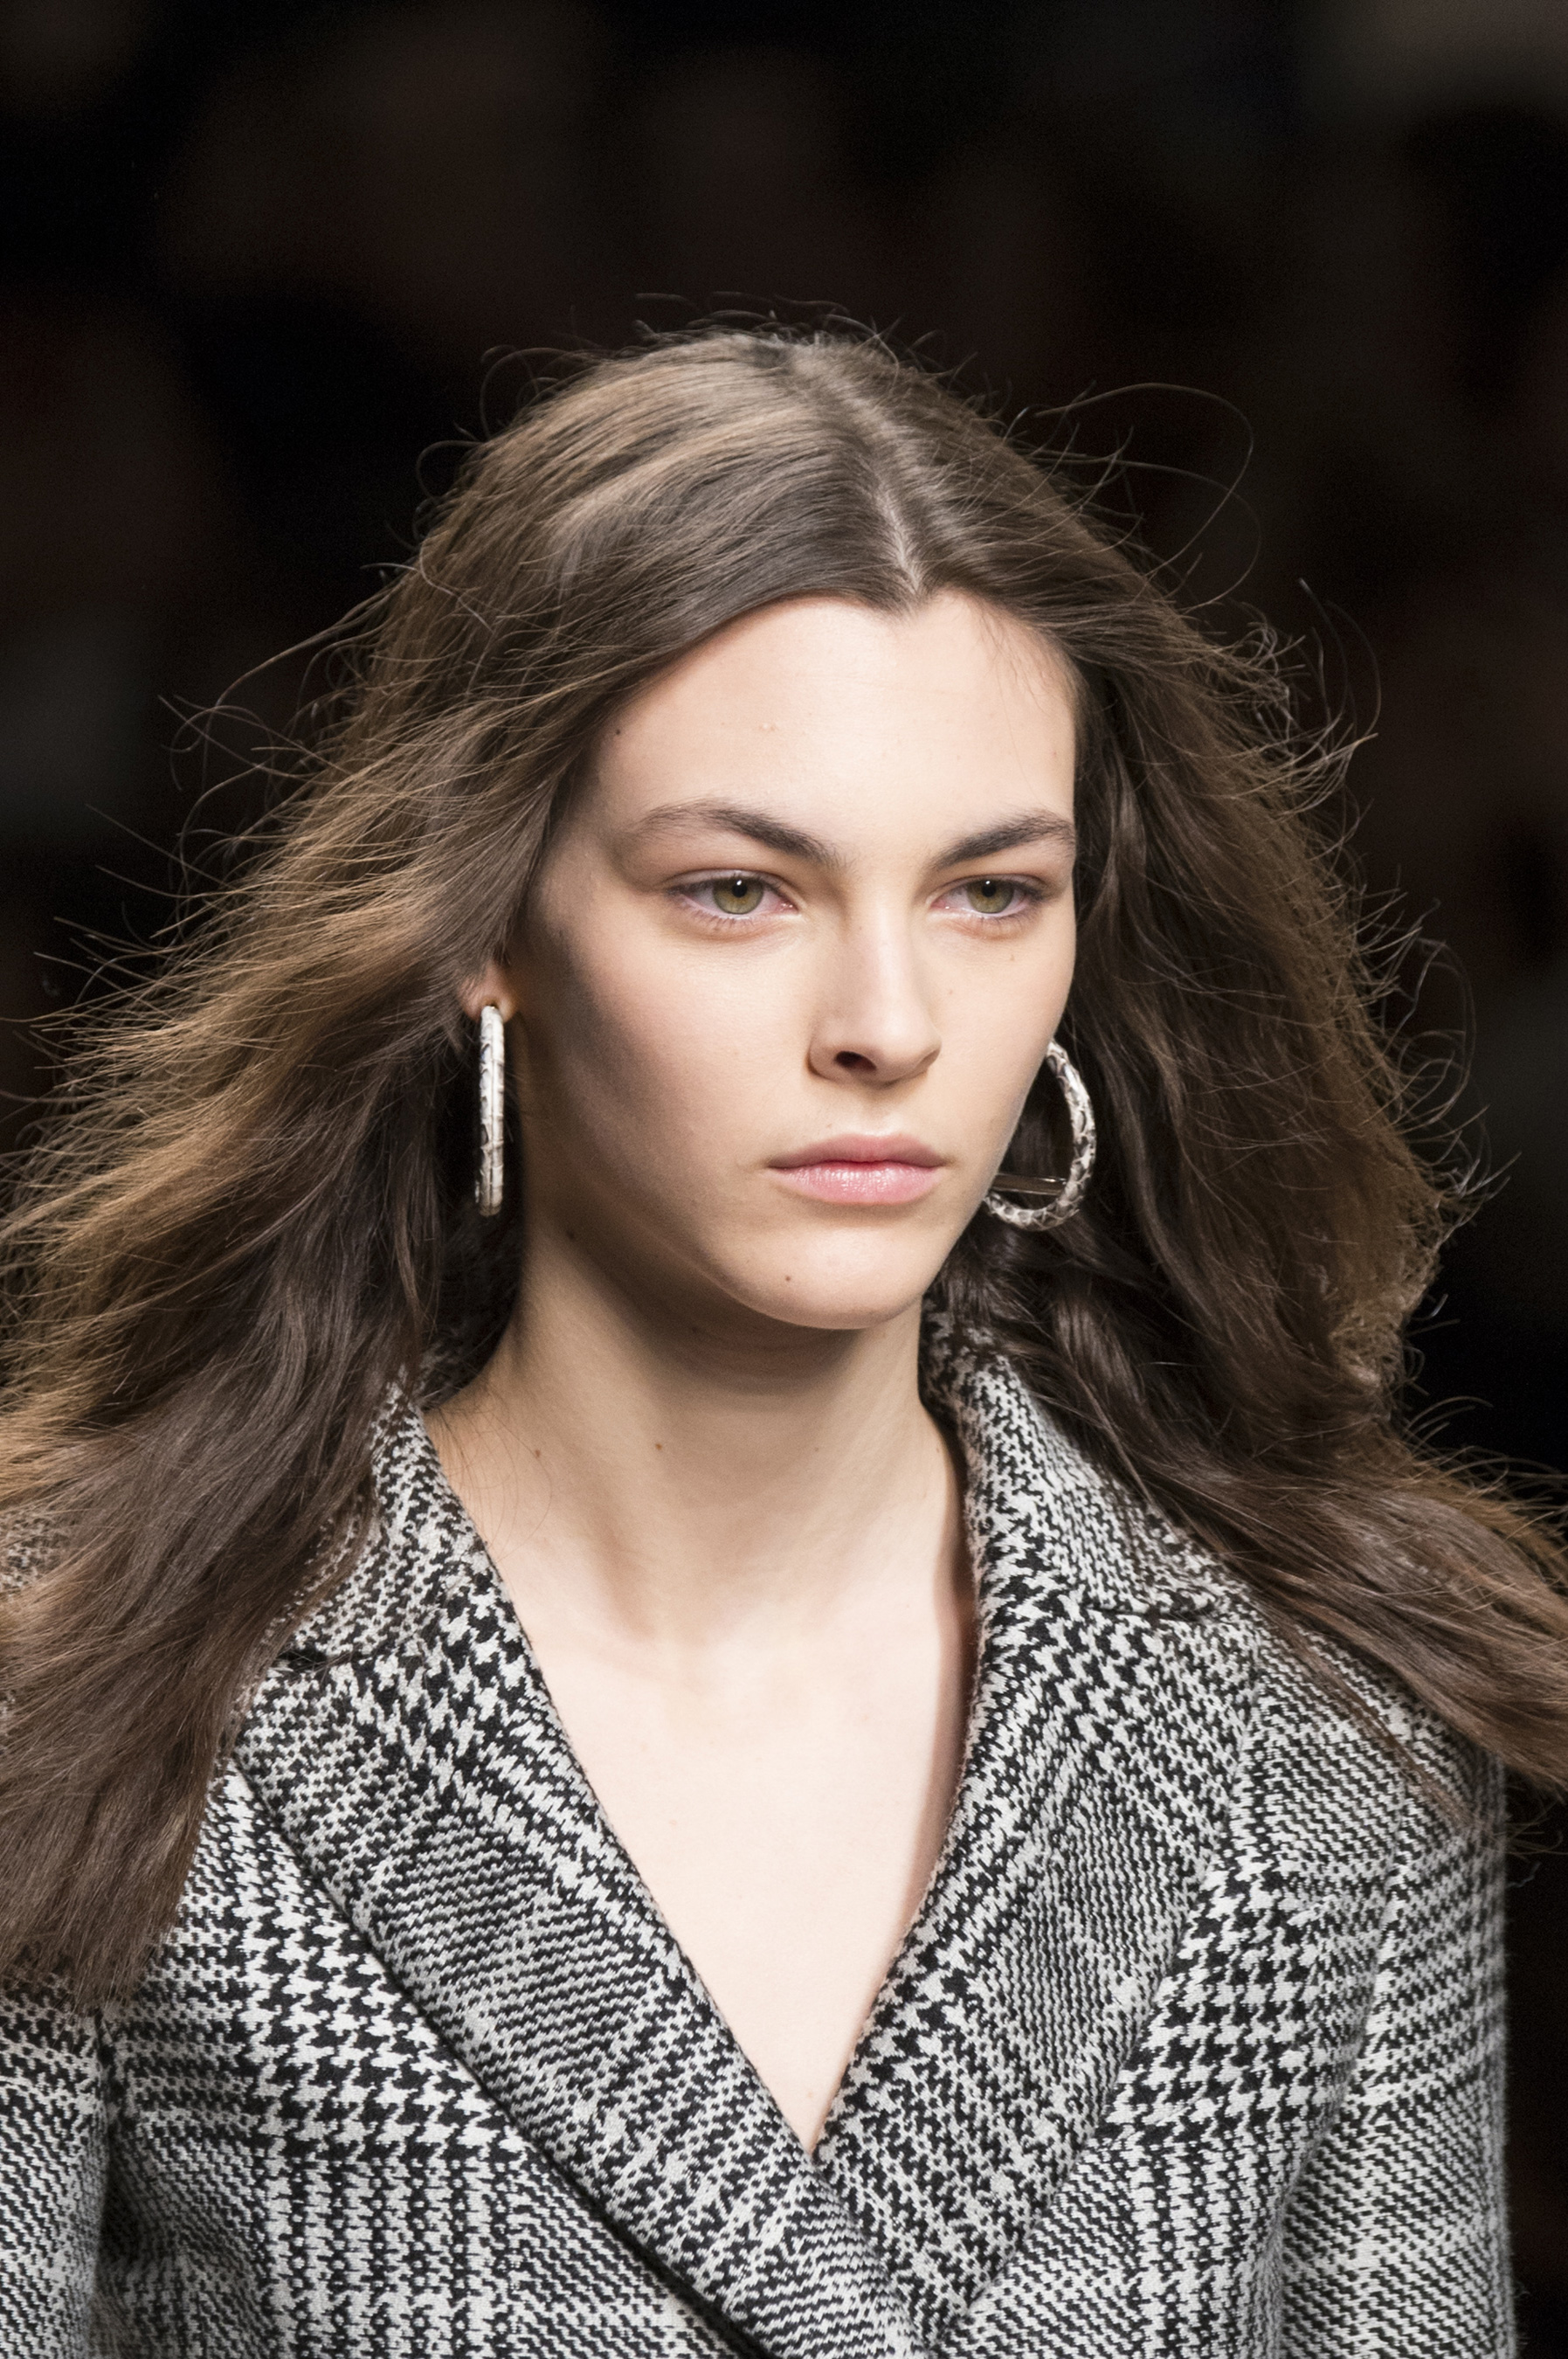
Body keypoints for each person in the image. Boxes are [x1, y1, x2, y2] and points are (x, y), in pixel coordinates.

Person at [1, 329, 1563, 2359]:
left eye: (989, 893)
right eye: (740, 889)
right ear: (489, 929)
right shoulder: (90, 1685)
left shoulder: (1320, 1734)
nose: (888, 1024)